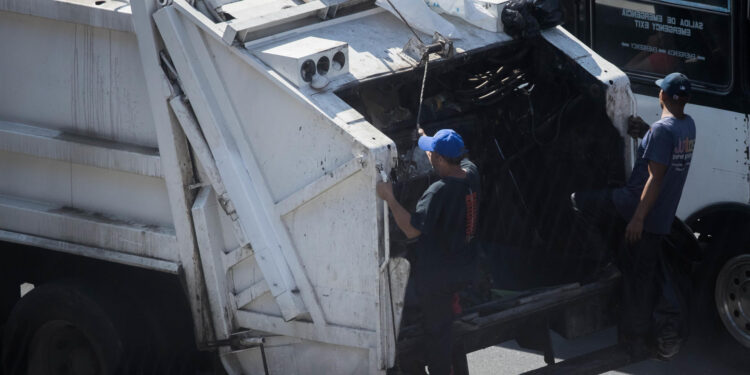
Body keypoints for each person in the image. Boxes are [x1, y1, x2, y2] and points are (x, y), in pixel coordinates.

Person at [571, 72, 695, 358]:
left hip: (637, 207)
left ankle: (604, 266)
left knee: (579, 202)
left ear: (662, 96)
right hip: (662, 215)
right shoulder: (687, 126)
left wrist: (637, 217)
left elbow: (656, 177)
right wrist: (646, 132)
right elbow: (666, 146)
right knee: (646, 275)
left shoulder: (662, 132)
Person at [376, 129, 480, 375]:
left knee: (438, 336)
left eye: (431, 153)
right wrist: (425, 137)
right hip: (463, 266)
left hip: (438, 278)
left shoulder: (437, 192)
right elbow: (457, 158)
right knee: (449, 328)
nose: (429, 156)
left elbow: (412, 231)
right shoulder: (472, 174)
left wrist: (389, 197)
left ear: (441, 160)